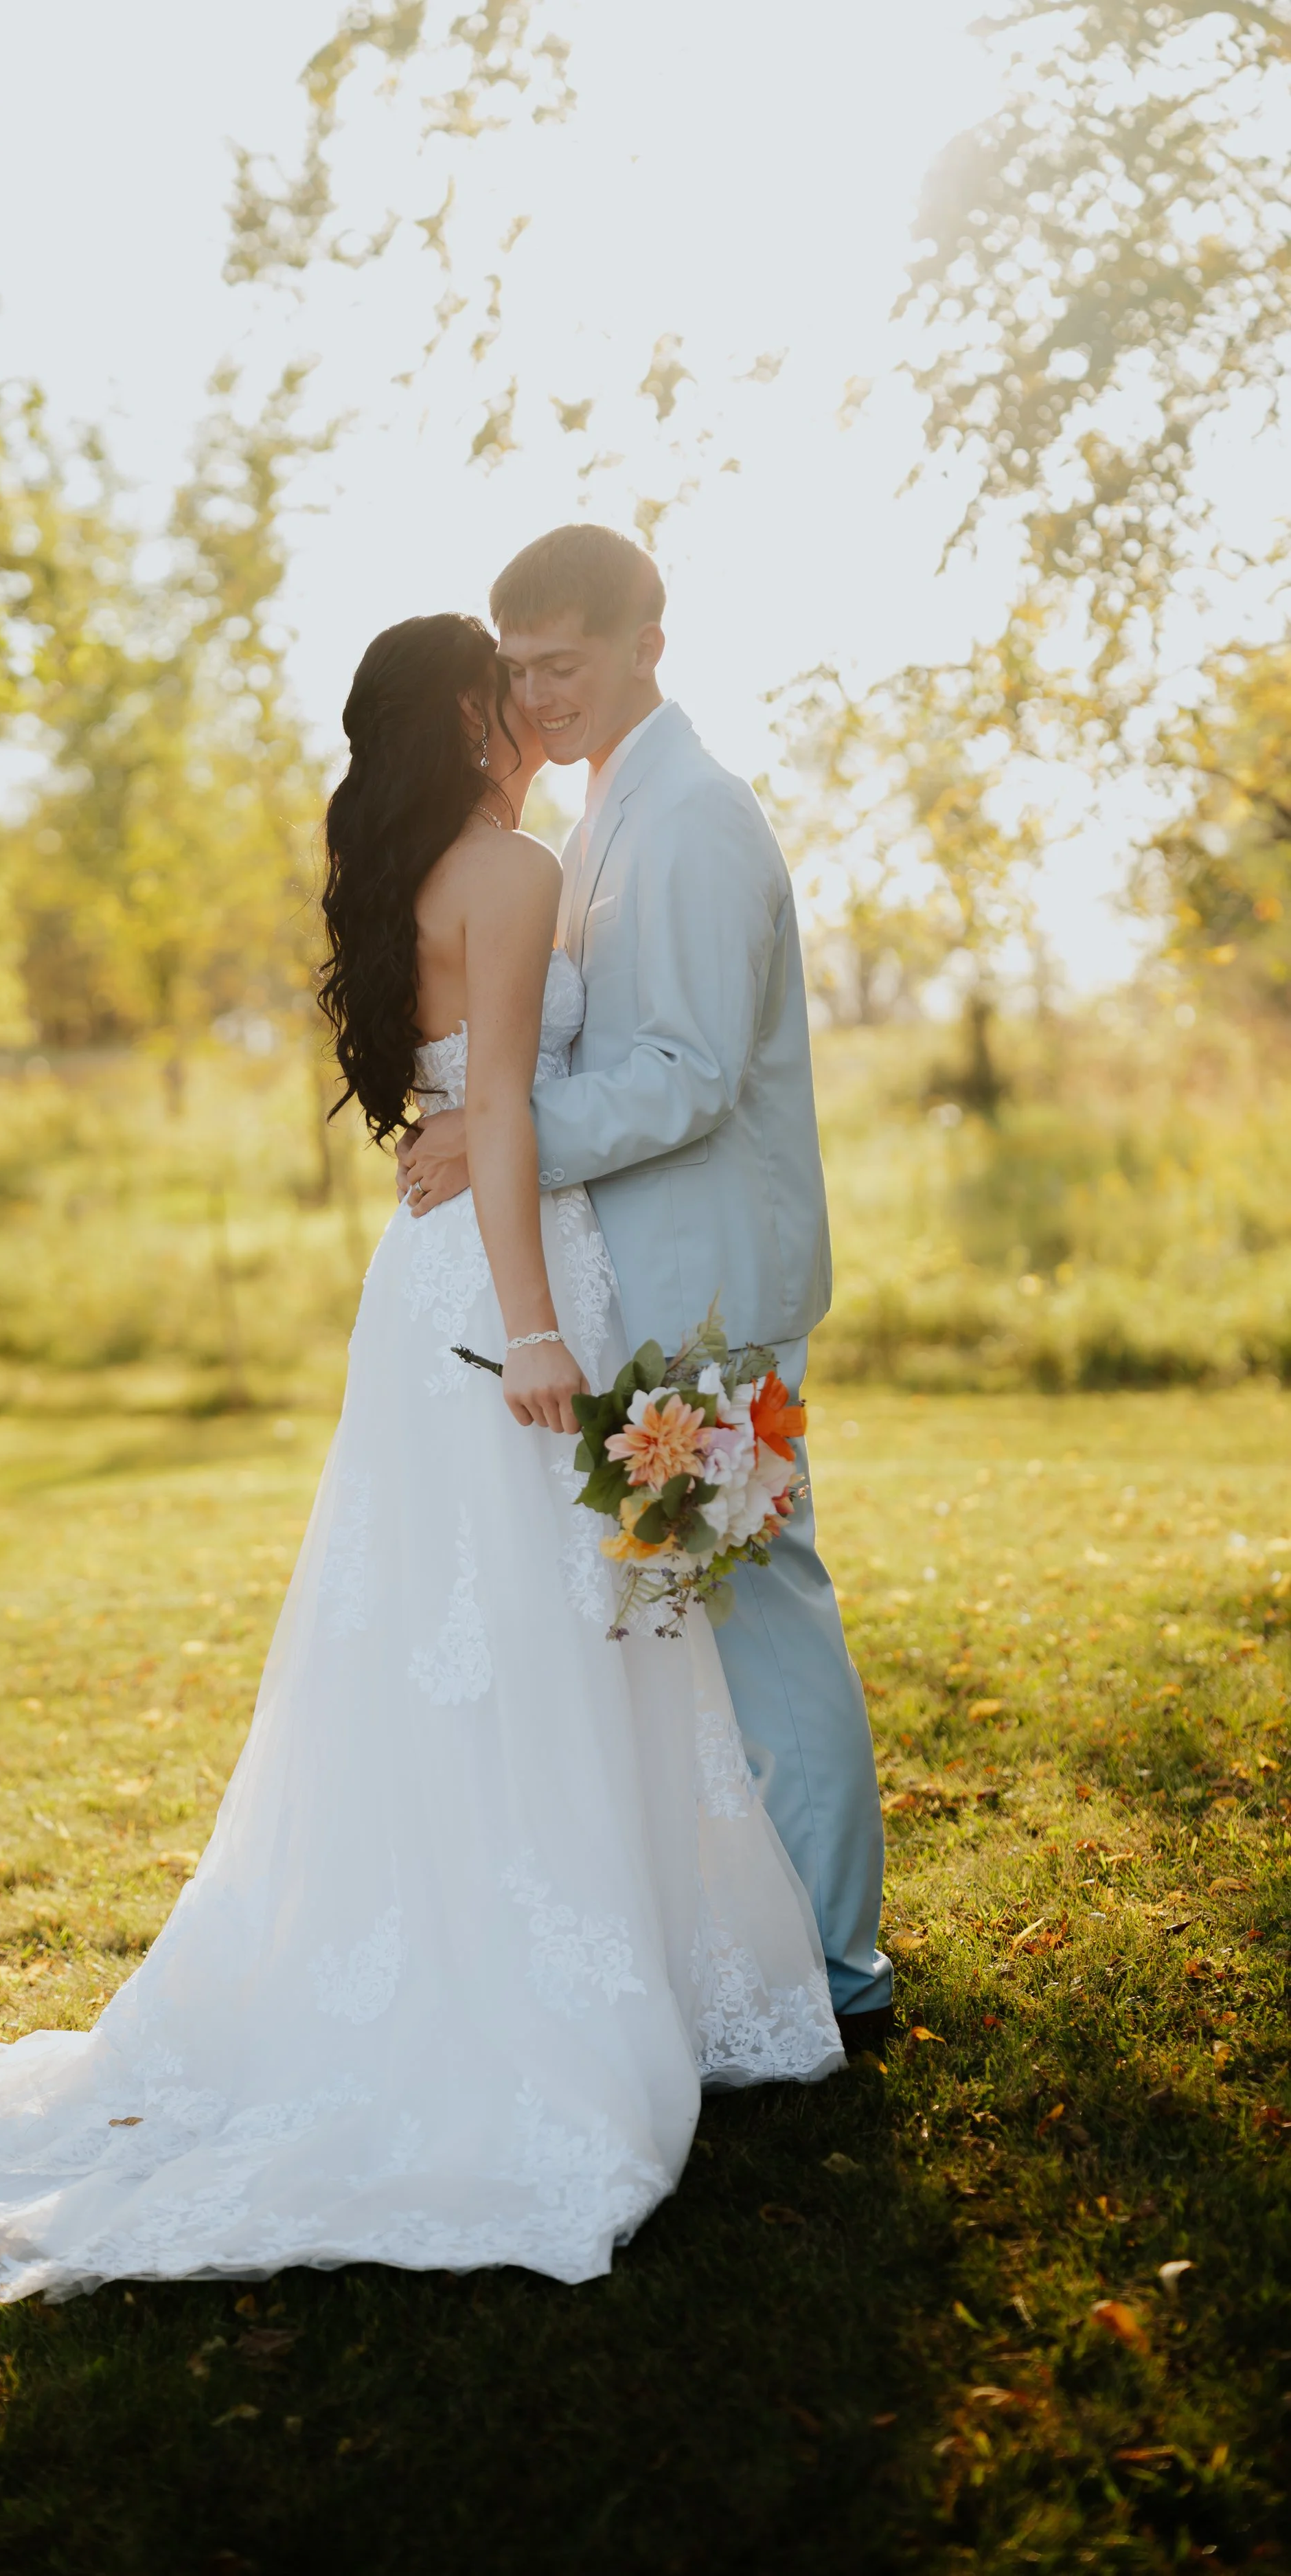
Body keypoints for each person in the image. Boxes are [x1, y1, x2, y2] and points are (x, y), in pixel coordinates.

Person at [0, 611, 841, 2303]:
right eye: (504, 683)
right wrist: (536, 1329)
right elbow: (504, 1112)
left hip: (424, 1285)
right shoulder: (508, 874)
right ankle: (526, 1999)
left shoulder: (403, 880)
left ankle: (535, 1955)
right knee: (531, 1622)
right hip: (508, 1281)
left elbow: (456, 1101)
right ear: (464, 710)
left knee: (470, 1630)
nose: (529, 707)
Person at [398, 530, 893, 2052]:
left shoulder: (682, 820)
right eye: (518, 667)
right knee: (688, 1618)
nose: (535, 695)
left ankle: (837, 1970)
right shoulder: (608, 803)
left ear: (646, 645)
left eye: (563, 663)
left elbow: (680, 1077)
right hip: (650, 1282)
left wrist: (500, 1135)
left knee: (754, 1614)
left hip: (708, 1292)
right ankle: (752, 1946)